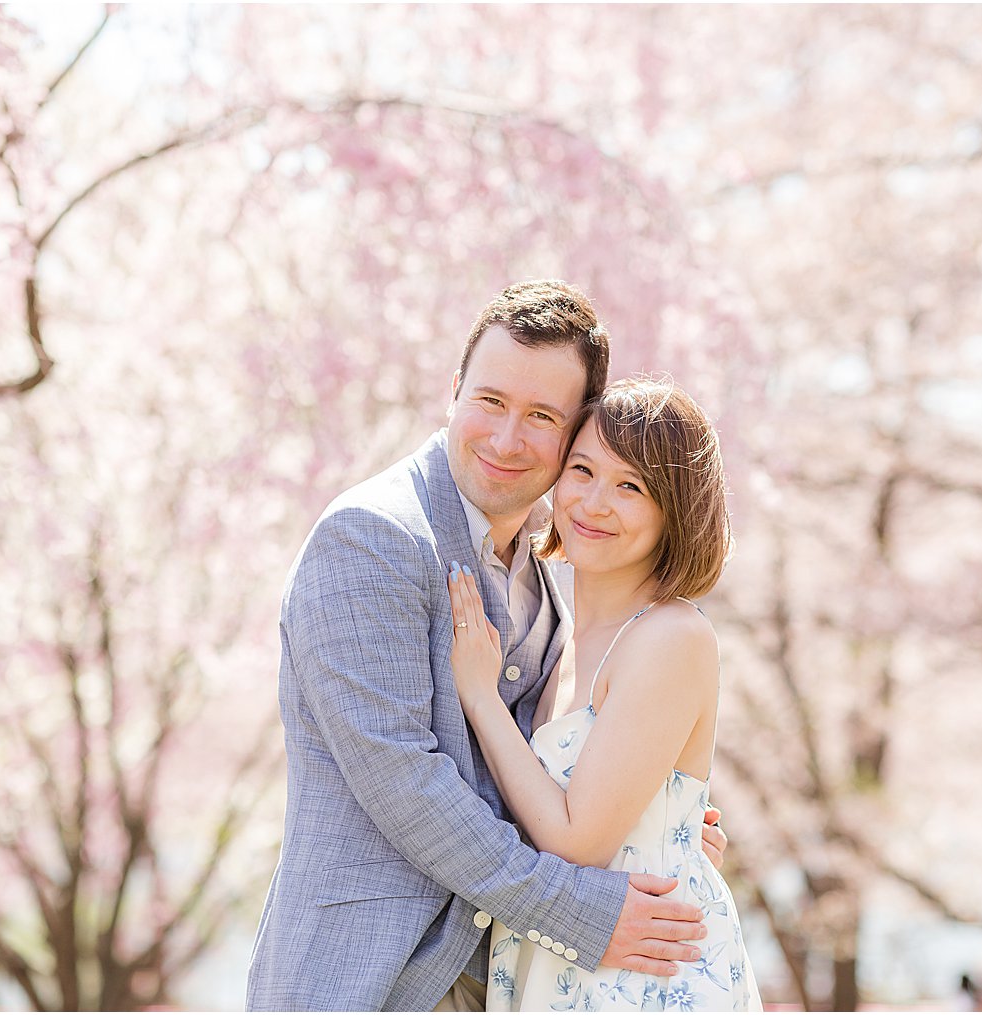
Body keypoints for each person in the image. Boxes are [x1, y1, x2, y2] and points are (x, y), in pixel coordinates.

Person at [246, 281, 728, 1012]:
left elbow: (542, 788)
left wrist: (659, 831)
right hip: (371, 980)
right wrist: (582, 909)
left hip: (508, 980)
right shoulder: (371, 539)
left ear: (572, 434)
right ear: (453, 390)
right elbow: (409, 786)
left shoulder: (551, 583)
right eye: (491, 401)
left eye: (541, 417)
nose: (508, 439)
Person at [448, 377, 762, 1011]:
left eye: (631, 487)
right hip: (562, 963)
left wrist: (481, 700)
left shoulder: (671, 635)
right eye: (582, 471)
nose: (593, 503)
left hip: (641, 981)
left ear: (676, 509)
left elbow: (576, 842)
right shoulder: (558, 635)